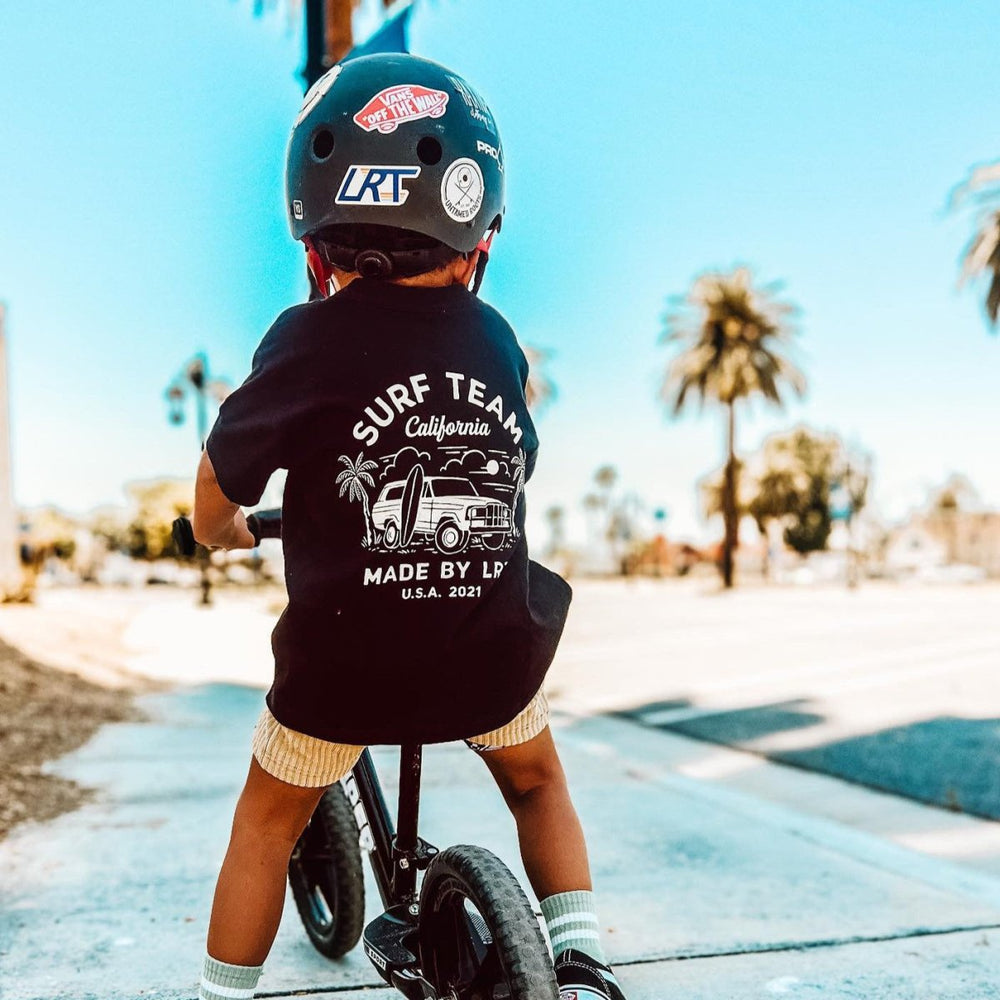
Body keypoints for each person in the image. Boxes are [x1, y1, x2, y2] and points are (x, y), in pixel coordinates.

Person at [192, 53, 627, 1000]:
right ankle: (583, 965)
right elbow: (516, 463)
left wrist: (223, 530)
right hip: (485, 656)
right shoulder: (497, 340)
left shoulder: (303, 340)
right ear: (478, 243)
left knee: (264, 823)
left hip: (341, 678)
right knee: (537, 783)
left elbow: (217, 483)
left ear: (315, 246)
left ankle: (221, 995)